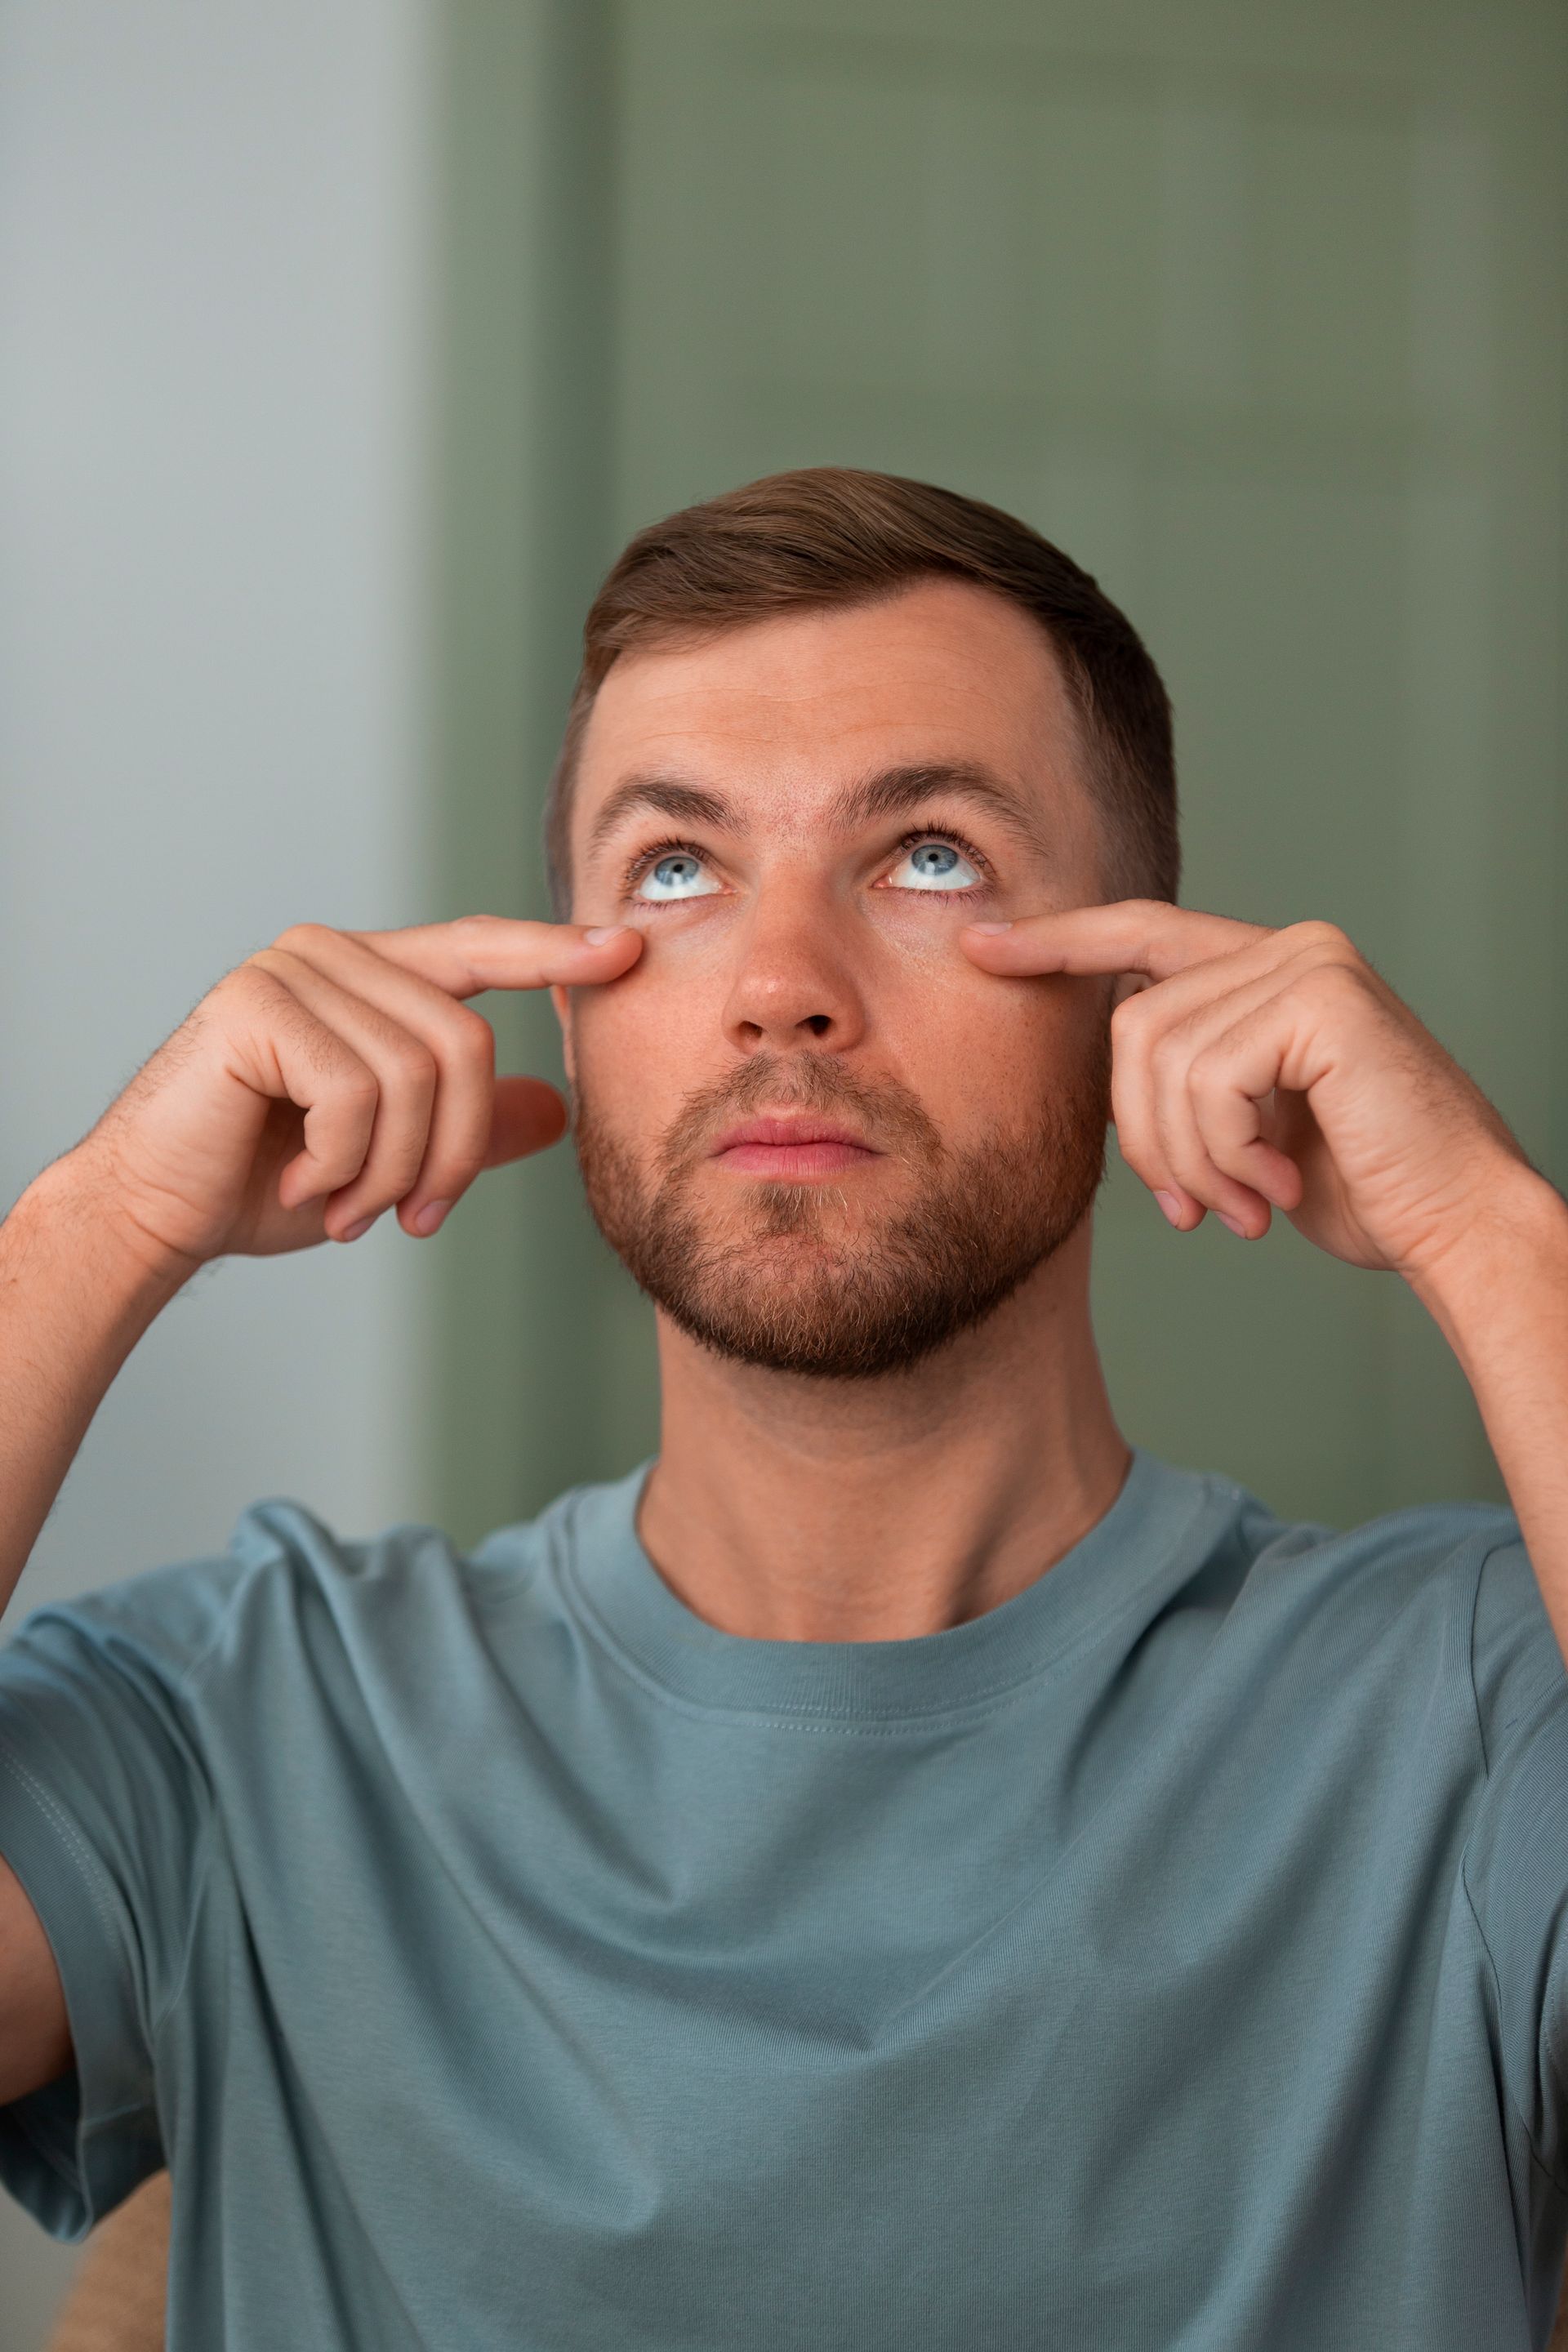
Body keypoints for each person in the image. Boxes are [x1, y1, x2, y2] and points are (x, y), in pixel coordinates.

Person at [2, 467, 1566, 2352]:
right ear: (568, 1013)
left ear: (1143, 988)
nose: (777, 989)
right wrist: (97, 1227)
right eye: (674, 868)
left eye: (927, 854)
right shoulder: (247, 1723)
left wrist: (1495, 1234)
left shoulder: (1471, 1706)